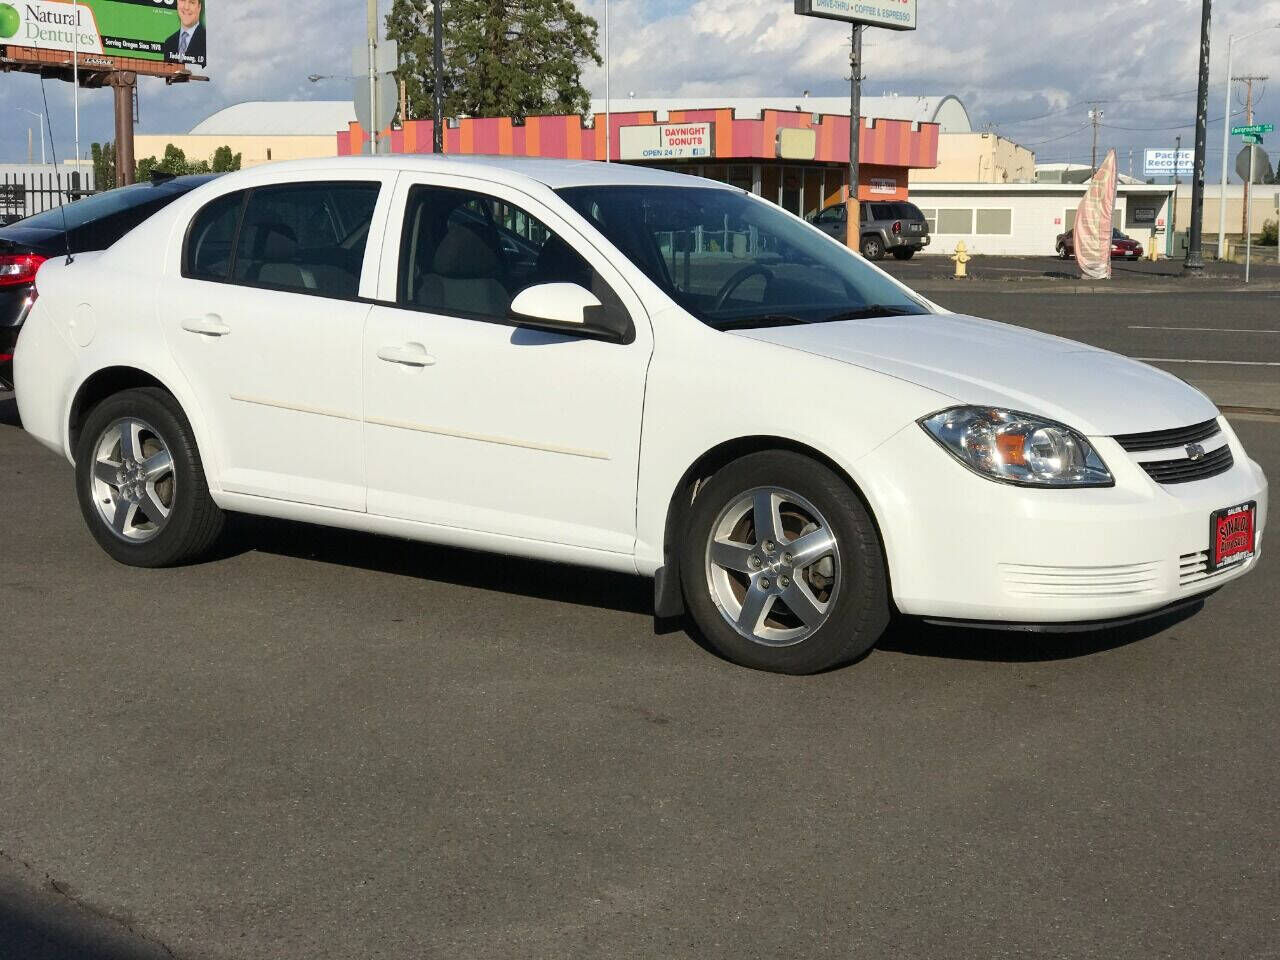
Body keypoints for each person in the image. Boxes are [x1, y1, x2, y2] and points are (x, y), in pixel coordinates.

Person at [162, 0, 206, 66]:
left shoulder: (206, 40)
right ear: (177, 3)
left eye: (192, 2)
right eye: (182, 0)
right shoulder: (169, 42)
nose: (186, 7)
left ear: (199, 7)